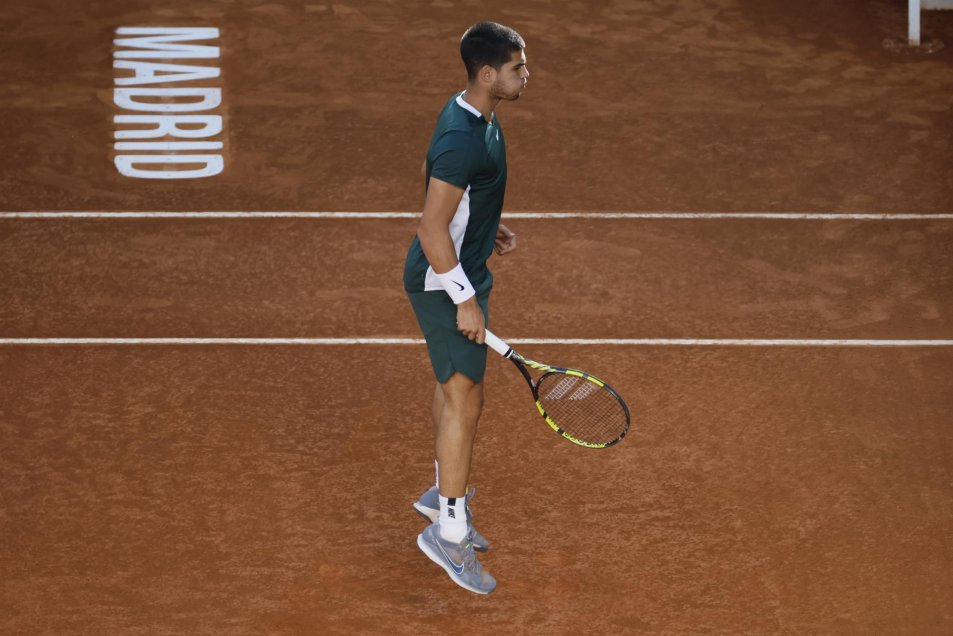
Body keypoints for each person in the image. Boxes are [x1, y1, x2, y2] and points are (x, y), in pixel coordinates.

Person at [403, 21, 529, 595]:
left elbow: (441, 189)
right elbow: (431, 228)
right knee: (465, 395)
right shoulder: (464, 136)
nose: (525, 75)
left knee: (454, 385)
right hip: (443, 279)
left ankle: (440, 495)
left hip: (462, 265)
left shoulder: (474, 116)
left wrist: (482, 224)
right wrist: (465, 300)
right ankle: (448, 532)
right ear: (487, 73)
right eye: (517, 68)